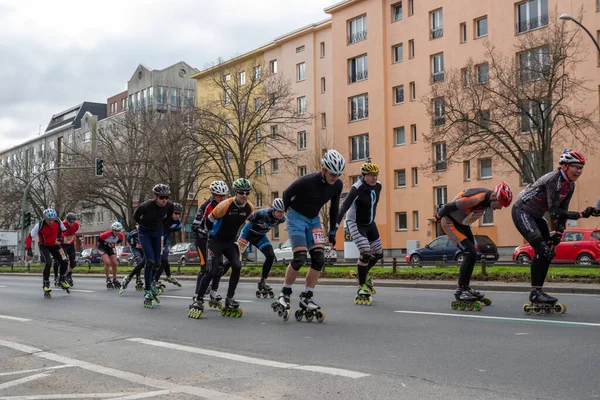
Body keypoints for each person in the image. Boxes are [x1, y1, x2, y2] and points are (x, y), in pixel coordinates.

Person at [512, 149, 594, 314]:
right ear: (564, 166)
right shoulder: (553, 179)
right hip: (522, 212)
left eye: (581, 168)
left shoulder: (570, 185)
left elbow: (563, 209)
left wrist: (559, 232)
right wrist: (580, 214)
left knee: (548, 251)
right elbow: (555, 211)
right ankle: (535, 292)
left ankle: (538, 292)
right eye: (576, 167)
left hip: (536, 215)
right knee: (543, 250)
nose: (579, 171)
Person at [272, 149, 345, 322]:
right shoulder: (308, 181)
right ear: (324, 170)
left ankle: (307, 296)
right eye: (332, 173)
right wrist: (286, 216)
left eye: (338, 173)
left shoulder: (338, 185)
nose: (335, 177)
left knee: (319, 258)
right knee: (300, 257)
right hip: (296, 217)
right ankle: (285, 293)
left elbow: (334, 207)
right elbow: (286, 194)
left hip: (313, 220)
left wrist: (333, 231)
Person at [436, 182, 513, 310]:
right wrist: (437, 216)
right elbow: (447, 207)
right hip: (450, 223)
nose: (500, 208)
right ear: (494, 196)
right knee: (469, 253)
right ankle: (461, 290)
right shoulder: (476, 199)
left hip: (462, 224)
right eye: (500, 204)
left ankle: (466, 287)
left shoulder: (487, 201)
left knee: (473, 255)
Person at [188, 178, 254, 319]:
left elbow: (250, 224)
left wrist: (246, 237)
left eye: (247, 192)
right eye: (241, 192)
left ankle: (229, 298)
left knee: (236, 266)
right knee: (211, 269)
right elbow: (208, 222)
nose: (244, 195)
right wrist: (208, 233)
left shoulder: (249, 207)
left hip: (230, 241)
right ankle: (198, 298)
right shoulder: (223, 205)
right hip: (215, 240)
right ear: (236, 193)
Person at [336, 161, 382, 305]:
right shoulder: (357, 188)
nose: (374, 178)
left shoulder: (378, 186)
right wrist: (334, 226)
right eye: (370, 176)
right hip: (355, 222)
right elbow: (344, 207)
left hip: (369, 223)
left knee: (378, 253)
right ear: (364, 175)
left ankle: (363, 273)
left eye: (375, 175)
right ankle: (361, 286)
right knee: (366, 253)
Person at [224, 198, 286, 299]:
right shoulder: (262, 214)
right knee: (233, 260)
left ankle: (262, 281)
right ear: (274, 209)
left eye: (283, 212)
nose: (281, 214)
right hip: (247, 235)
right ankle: (216, 277)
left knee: (270, 256)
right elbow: (245, 220)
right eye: (279, 211)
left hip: (260, 237)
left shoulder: (282, 219)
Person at [134, 183, 175, 308]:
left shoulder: (169, 205)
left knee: (158, 262)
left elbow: (169, 217)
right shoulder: (146, 205)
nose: (164, 200)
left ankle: (152, 282)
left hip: (158, 232)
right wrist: (145, 225)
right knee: (150, 260)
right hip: (145, 232)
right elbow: (136, 217)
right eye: (161, 197)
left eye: (166, 197)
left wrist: (160, 225)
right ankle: (147, 289)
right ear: (155, 197)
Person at [191, 180, 229, 301]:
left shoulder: (227, 206)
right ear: (213, 195)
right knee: (205, 268)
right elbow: (195, 226)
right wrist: (205, 233)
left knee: (219, 266)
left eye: (224, 195)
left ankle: (213, 291)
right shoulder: (205, 206)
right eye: (219, 196)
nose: (222, 198)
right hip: (202, 239)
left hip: (216, 239)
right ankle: (198, 293)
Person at [25, 208, 70, 298]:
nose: (51, 222)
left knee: (64, 260)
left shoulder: (58, 221)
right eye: (49, 220)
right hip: (44, 246)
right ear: (44, 218)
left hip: (55, 244)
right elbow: (29, 237)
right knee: (49, 263)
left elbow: (65, 231)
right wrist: (29, 251)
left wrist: (60, 239)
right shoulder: (40, 225)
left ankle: (62, 279)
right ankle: (46, 283)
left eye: (52, 219)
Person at [155, 202, 183, 288]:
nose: (177, 215)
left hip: (164, 240)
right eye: (175, 213)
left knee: (164, 259)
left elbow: (175, 229)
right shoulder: (164, 218)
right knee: (156, 261)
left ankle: (157, 279)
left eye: (179, 214)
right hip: (155, 239)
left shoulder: (178, 223)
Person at [52, 213, 80, 287]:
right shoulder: (62, 225)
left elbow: (73, 233)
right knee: (61, 261)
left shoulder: (76, 225)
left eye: (73, 222)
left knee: (73, 262)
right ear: (66, 220)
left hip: (70, 244)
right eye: (70, 222)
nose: (71, 224)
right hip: (61, 245)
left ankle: (69, 275)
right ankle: (56, 276)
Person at [98, 222, 125, 289]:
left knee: (115, 263)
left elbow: (118, 242)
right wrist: (107, 243)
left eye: (118, 231)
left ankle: (114, 278)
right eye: (115, 230)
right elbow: (99, 241)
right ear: (112, 230)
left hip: (110, 248)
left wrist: (113, 245)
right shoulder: (106, 234)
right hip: (102, 247)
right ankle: (108, 279)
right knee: (107, 262)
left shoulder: (121, 236)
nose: (117, 232)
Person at [120, 227, 145, 294]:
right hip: (135, 249)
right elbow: (128, 238)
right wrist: (134, 244)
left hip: (144, 248)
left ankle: (138, 279)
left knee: (146, 263)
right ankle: (133, 279)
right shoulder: (133, 233)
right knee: (139, 262)